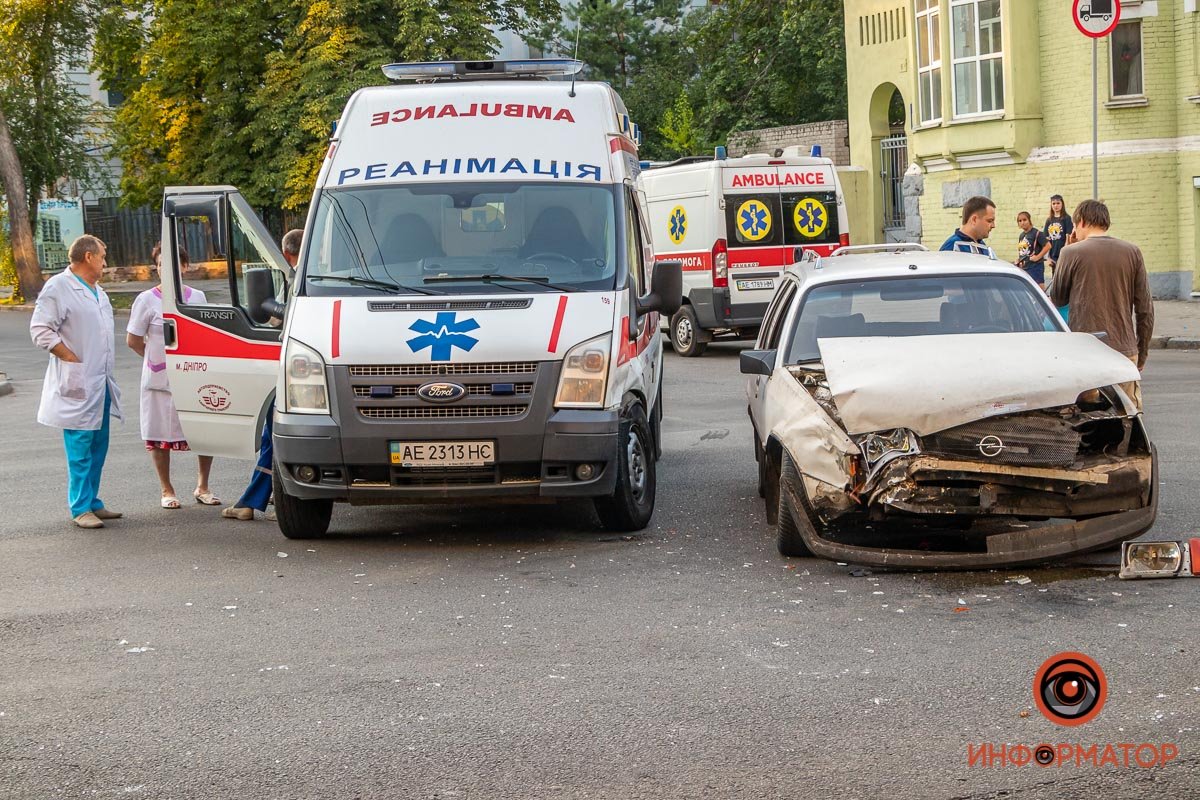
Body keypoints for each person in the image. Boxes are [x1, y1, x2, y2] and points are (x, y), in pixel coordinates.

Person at [30, 235, 125, 528]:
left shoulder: (99, 291)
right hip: (79, 379)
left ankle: (93, 501)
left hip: (100, 382)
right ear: (88, 257)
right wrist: (70, 358)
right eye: (102, 256)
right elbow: (40, 329)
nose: (105, 262)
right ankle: (80, 506)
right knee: (80, 446)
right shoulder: (58, 287)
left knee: (98, 444)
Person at [126, 244, 221, 509]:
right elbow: (133, 340)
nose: (164, 270)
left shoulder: (197, 297)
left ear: (184, 267)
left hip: (193, 376)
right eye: (159, 265)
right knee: (158, 433)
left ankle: (203, 486)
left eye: (170, 265)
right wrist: (155, 361)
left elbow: (206, 336)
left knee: (203, 431)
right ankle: (167, 489)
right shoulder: (146, 300)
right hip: (158, 378)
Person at [223, 229, 303, 521]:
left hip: (289, 368)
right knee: (274, 436)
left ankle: (251, 501)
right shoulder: (313, 276)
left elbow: (274, 318)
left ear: (284, 254)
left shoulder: (295, 279)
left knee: (273, 435)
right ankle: (254, 499)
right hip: (302, 368)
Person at [1050, 200, 1154, 410]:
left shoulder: (1070, 253)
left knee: (1088, 417)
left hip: (1084, 349)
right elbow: (1145, 309)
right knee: (1129, 415)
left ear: (1082, 222)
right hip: (1124, 348)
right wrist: (1141, 352)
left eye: (1074, 225)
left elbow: (1058, 298)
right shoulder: (1132, 252)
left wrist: (1066, 253)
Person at [1014, 211, 1050, 289]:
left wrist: (1037, 257)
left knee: (1039, 289)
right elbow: (1022, 251)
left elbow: (1048, 246)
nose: (1022, 222)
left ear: (1029, 220)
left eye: (1024, 220)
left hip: (1035, 267)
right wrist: (1019, 260)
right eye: (1020, 221)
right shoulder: (1022, 235)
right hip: (1025, 267)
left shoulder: (1037, 233)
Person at [1043, 194, 1073, 278]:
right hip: (1053, 255)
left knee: (1064, 278)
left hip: (1063, 255)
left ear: (1062, 204)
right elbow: (1046, 240)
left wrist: (1064, 253)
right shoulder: (1049, 220)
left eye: (1058, 203)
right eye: (1053, 203)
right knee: (1055, 279)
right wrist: (1047, 257)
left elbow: (1068, 237)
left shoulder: (1066, 218)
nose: (1056, 205)